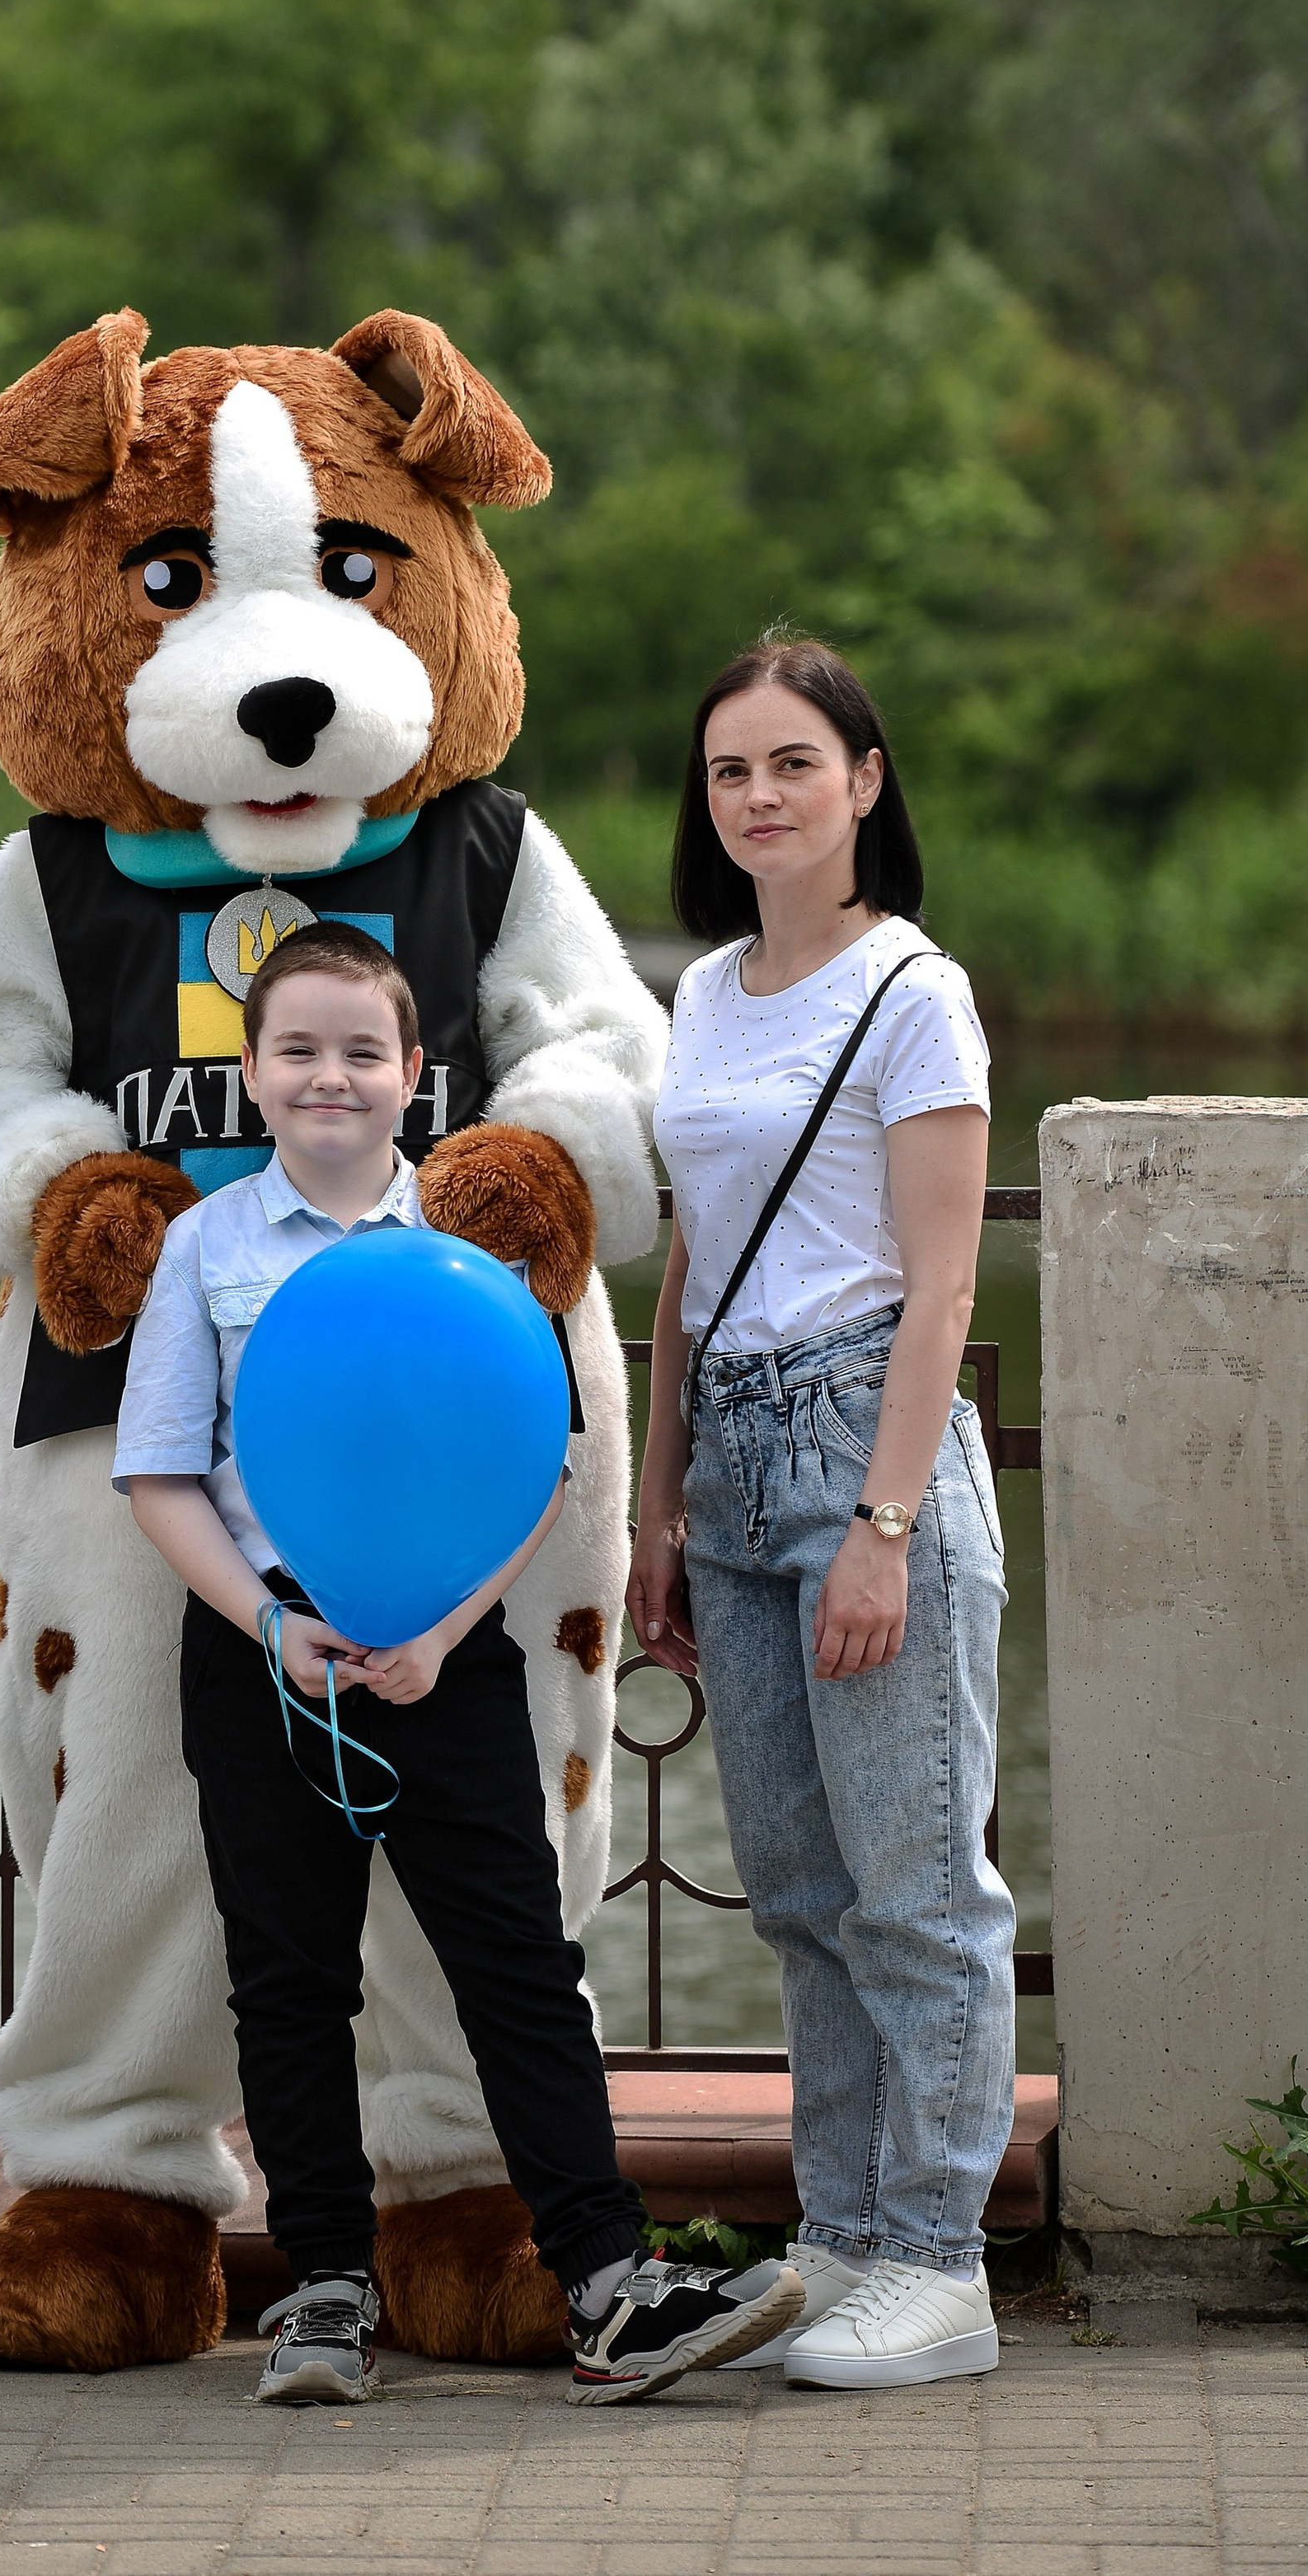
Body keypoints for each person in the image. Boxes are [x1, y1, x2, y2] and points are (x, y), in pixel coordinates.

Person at [115, 924, 806, 2405]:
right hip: (266, 1651)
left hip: (447, 1652)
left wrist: (438, 1630)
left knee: (518, 1966)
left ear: (414, 1075)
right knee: (287, 1981)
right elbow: (162, 1475)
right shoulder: (204, 1249)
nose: (330, 1077)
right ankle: (321, 2292)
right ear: (252, 1071)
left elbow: (536, 1463)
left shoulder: (468, 1254)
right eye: (297, 1048)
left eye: (363, 1052)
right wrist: (270, 1629)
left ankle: (611, 2287)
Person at [630, 632, 1015, 2392]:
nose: (760, 795)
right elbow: (686, 1270)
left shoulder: (908, 988)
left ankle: (940, 2263)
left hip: (868, 1440)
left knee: (916, 1883)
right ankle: (842, 2231)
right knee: (792, 1887)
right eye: (730, 770)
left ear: (861, 779)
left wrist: (881, 1519)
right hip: (726, 1457)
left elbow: (939, 1286)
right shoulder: (704, 993)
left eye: (793, 761)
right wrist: (655, 1506)